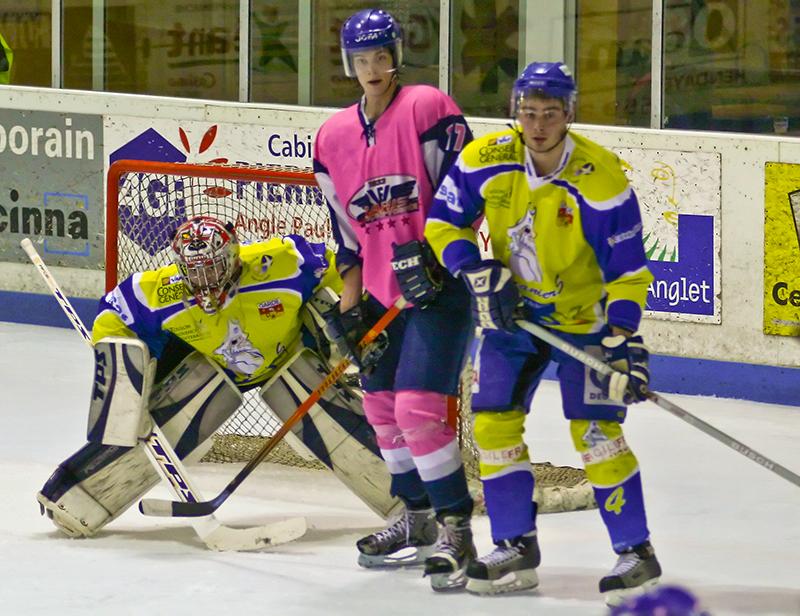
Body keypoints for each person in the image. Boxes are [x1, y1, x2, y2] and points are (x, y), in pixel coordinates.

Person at [424, 61, 661, 605]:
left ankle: (635, 552)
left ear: (569, 115)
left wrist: (623, 335)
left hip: (585, 324)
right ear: (515, 112)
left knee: (596, 435)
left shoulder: (600, 179)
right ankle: (513, 545)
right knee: (493, 426)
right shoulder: (486, 158)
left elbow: (628, 273)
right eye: (528, 113)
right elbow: (444, 221)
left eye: (550, 114)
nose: (537, 125)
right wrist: (474, 269)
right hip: (512, 320)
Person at [36, 215, 385, 539]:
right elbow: (113, 313)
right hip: (214, 367)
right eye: (193, 270)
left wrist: (356, 313)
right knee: (155, 427)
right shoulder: (163, 289)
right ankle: (74, 499)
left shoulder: (281, 261)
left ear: (233, 255)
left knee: (325, 414)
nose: (204, 280)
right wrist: (126, 375)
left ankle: (407, 496)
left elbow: (339, 268)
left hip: (292, 355)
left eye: (213, 267)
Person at [313, 8, 475, 591]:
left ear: (396, 55)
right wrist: (352, 308)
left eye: (381, 57)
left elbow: (467, 191)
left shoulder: (429, 107)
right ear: (348, 64)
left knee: (417, 410)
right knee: (381, 409)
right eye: (362, 60)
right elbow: (347, 238)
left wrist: (434, 254)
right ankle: (416, 517)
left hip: (438, 294)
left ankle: (457, 528)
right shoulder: (331, 138)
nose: (373, 69)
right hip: (382, 300)